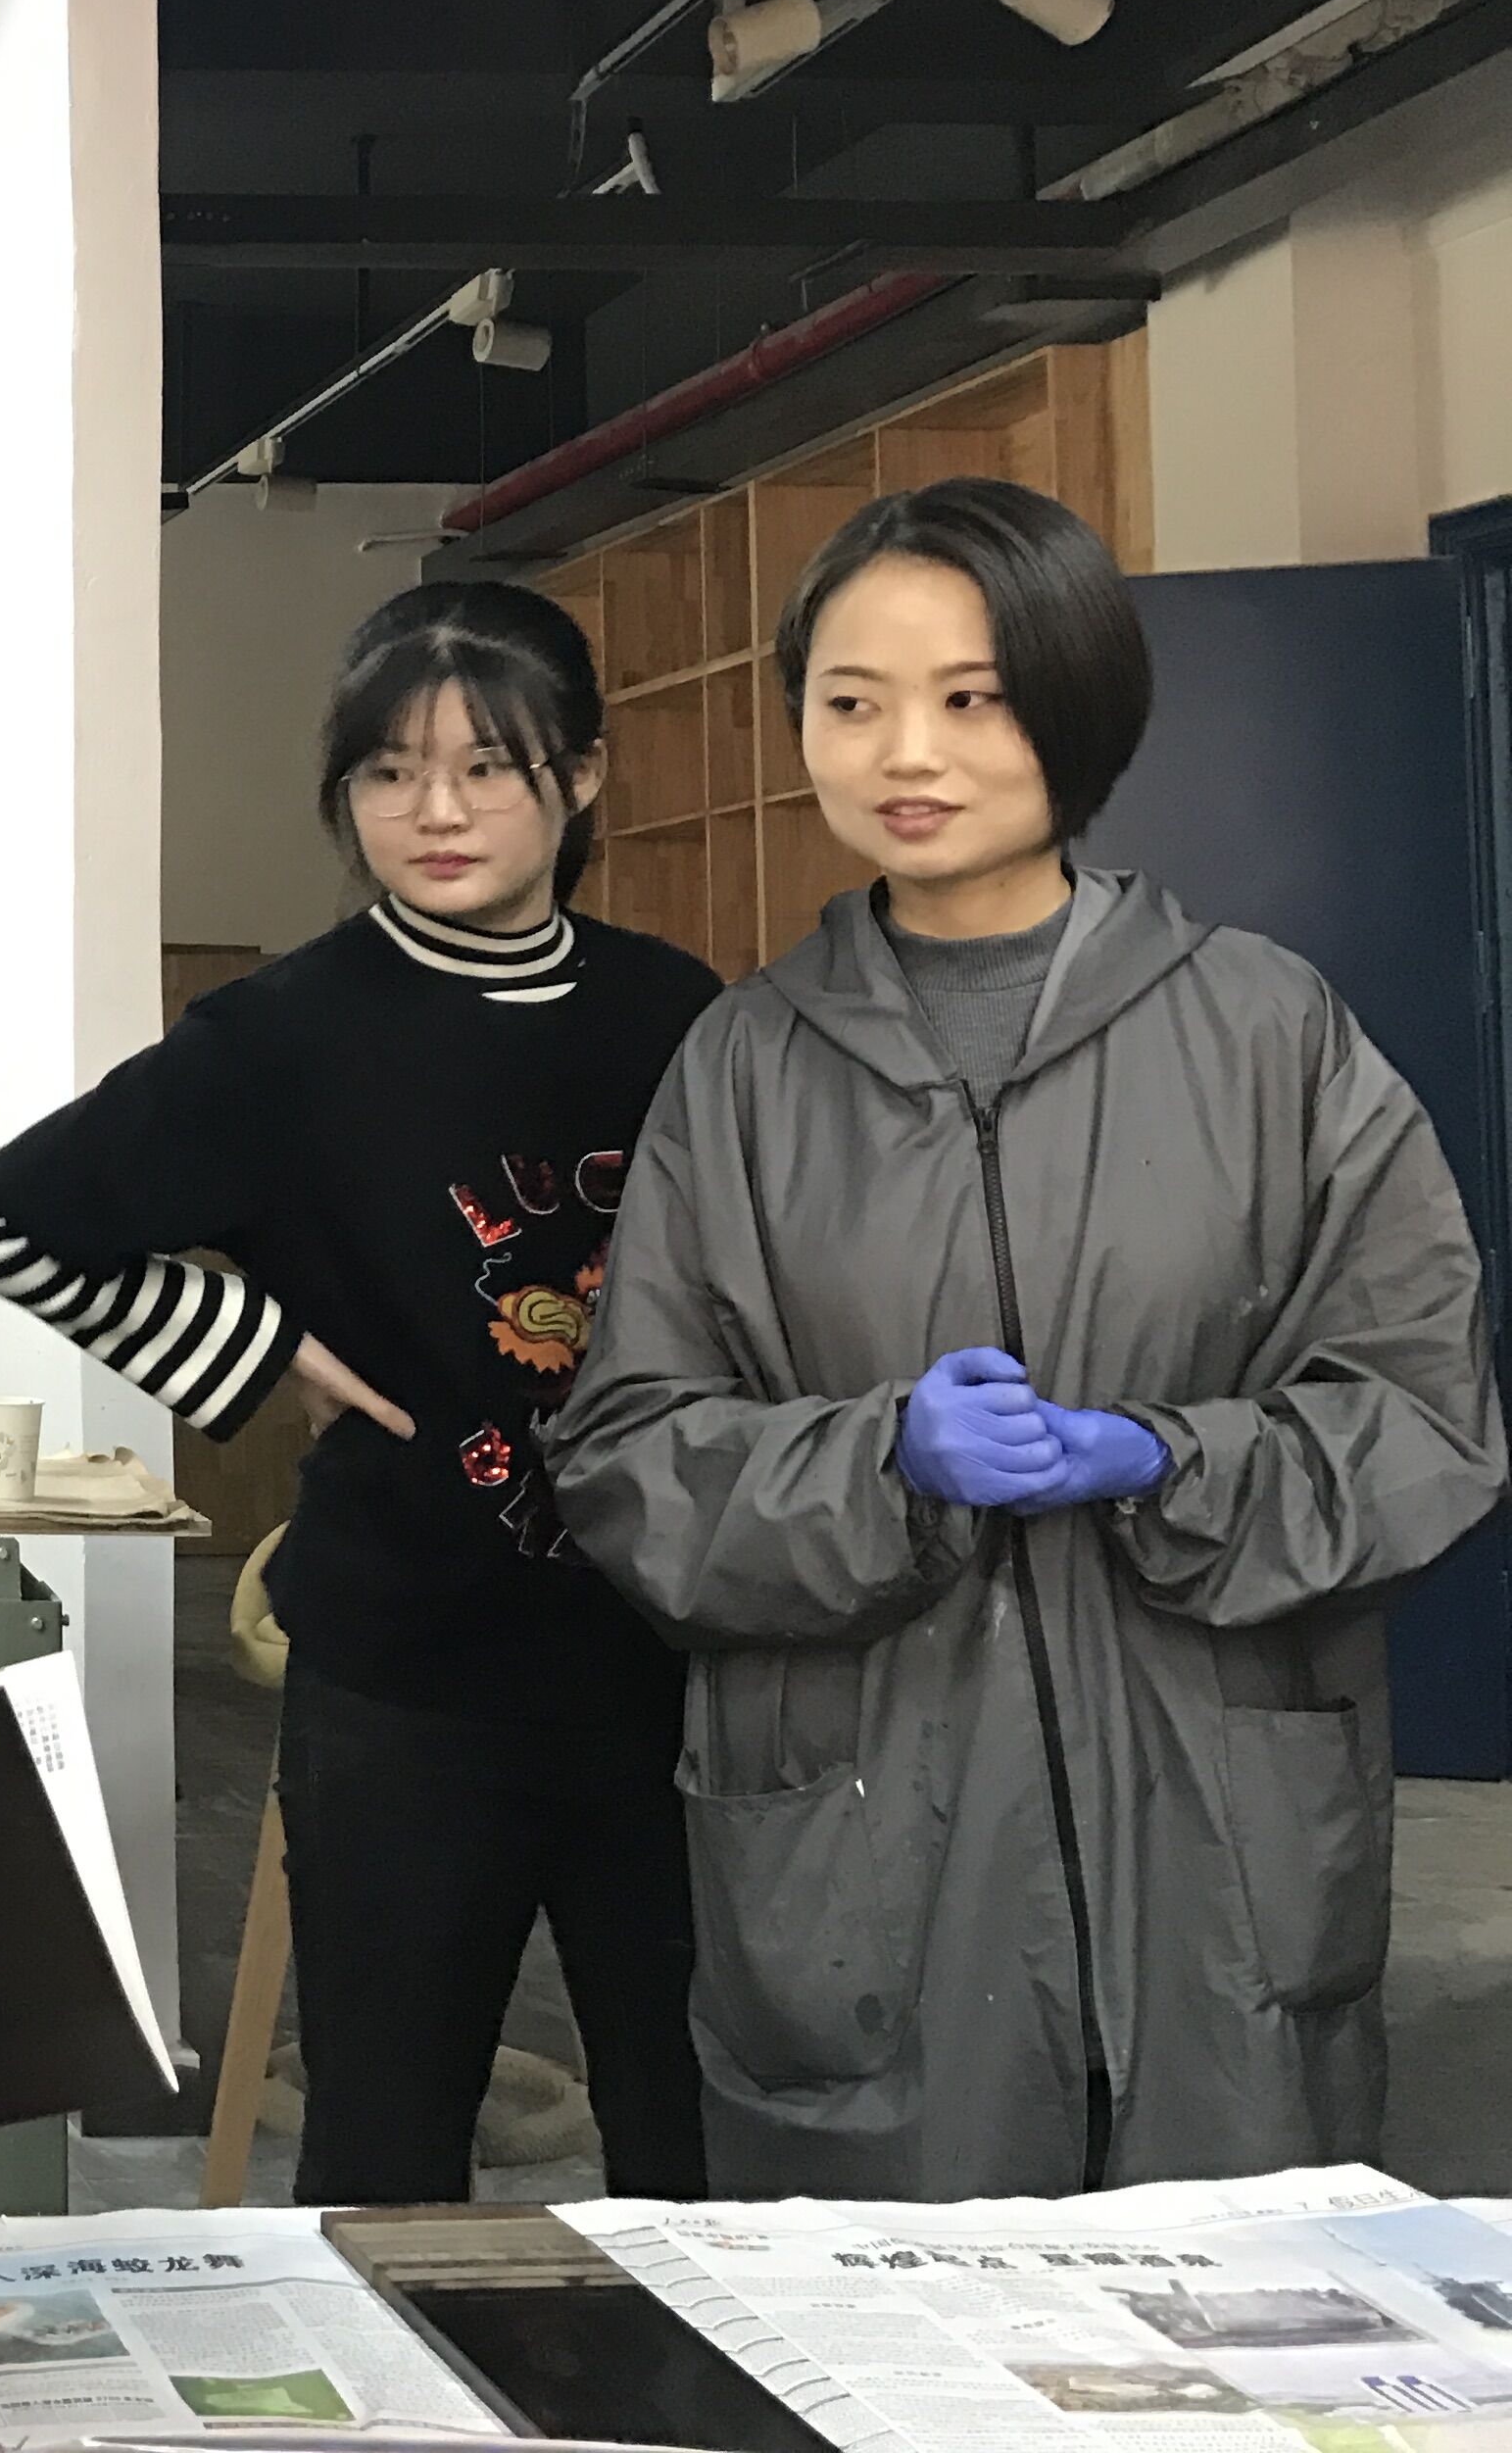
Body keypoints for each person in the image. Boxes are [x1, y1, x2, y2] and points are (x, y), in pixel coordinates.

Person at [552, 477, 1508, 2199]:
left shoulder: (1268, 1033)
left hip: (1217, 1843)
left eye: (971, 697)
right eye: (851, 703)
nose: (906, 753)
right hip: (870, 1857)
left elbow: (1425, 1420)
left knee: (1228, 2292)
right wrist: (878, 1465)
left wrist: (1170, 1461)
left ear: (1078, 704)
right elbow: (629, 1459)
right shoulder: (747, 1070)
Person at [0, 582, 720, 2206]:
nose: (436, 812)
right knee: (382, 2146)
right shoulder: (283, 1035)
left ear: (580, 777)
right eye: (388, 772)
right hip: (402, 1677)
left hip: (671, 1672)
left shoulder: (679, 1017)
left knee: (696, 2125)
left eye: (488, 767)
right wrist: (258, 1345)